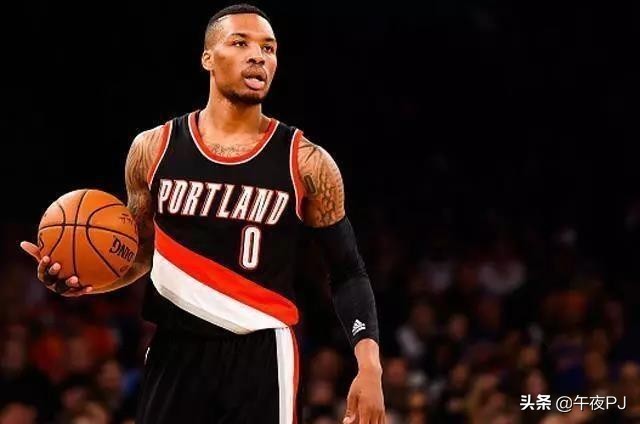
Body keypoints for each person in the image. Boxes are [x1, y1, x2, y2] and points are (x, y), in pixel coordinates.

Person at [20, 4, 385, 424]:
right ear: (207, 58)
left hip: (262, 353)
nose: (258, 56)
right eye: (240, 43)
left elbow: (348, 271)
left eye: (268, 48)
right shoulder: (153, 149)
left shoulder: (306, 161)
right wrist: (84, 282)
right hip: (175, 349)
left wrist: (369, 364)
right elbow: (139, 255)